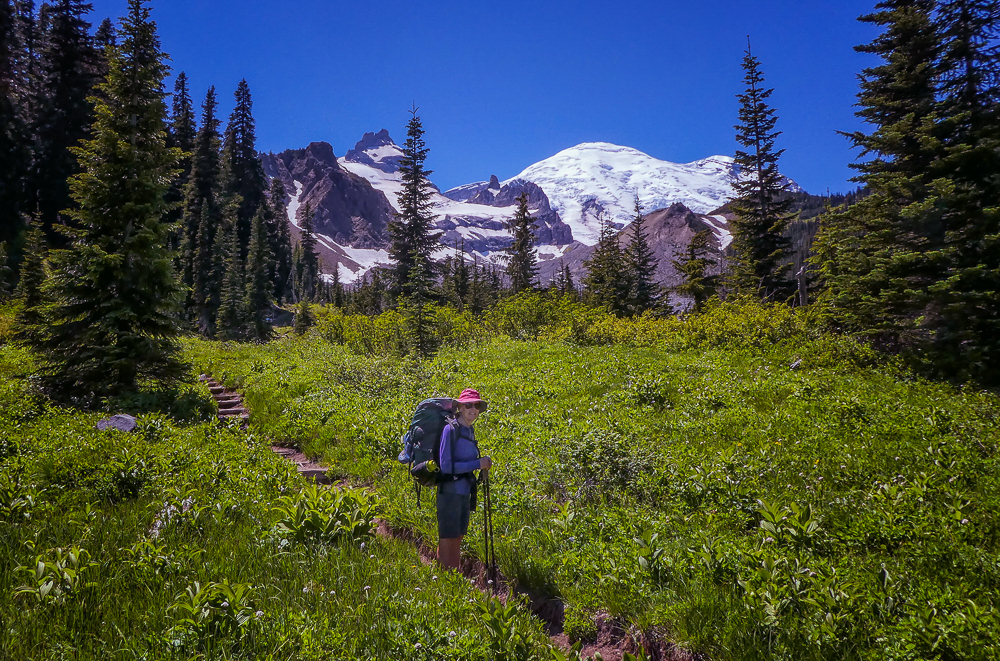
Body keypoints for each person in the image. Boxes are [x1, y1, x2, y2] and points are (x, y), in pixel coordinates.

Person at [437, 388, 492, 570]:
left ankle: (451, 573)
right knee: (448, 536)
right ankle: (446, 575)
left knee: (458, 535)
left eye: (476, 405)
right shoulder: (450, 430)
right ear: (460, 407)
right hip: (449, 492)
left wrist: (482, 464)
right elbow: (446, 466)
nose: (473, 409)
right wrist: (477, 464)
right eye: (468, 405)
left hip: (464, 491)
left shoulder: (469, 430)